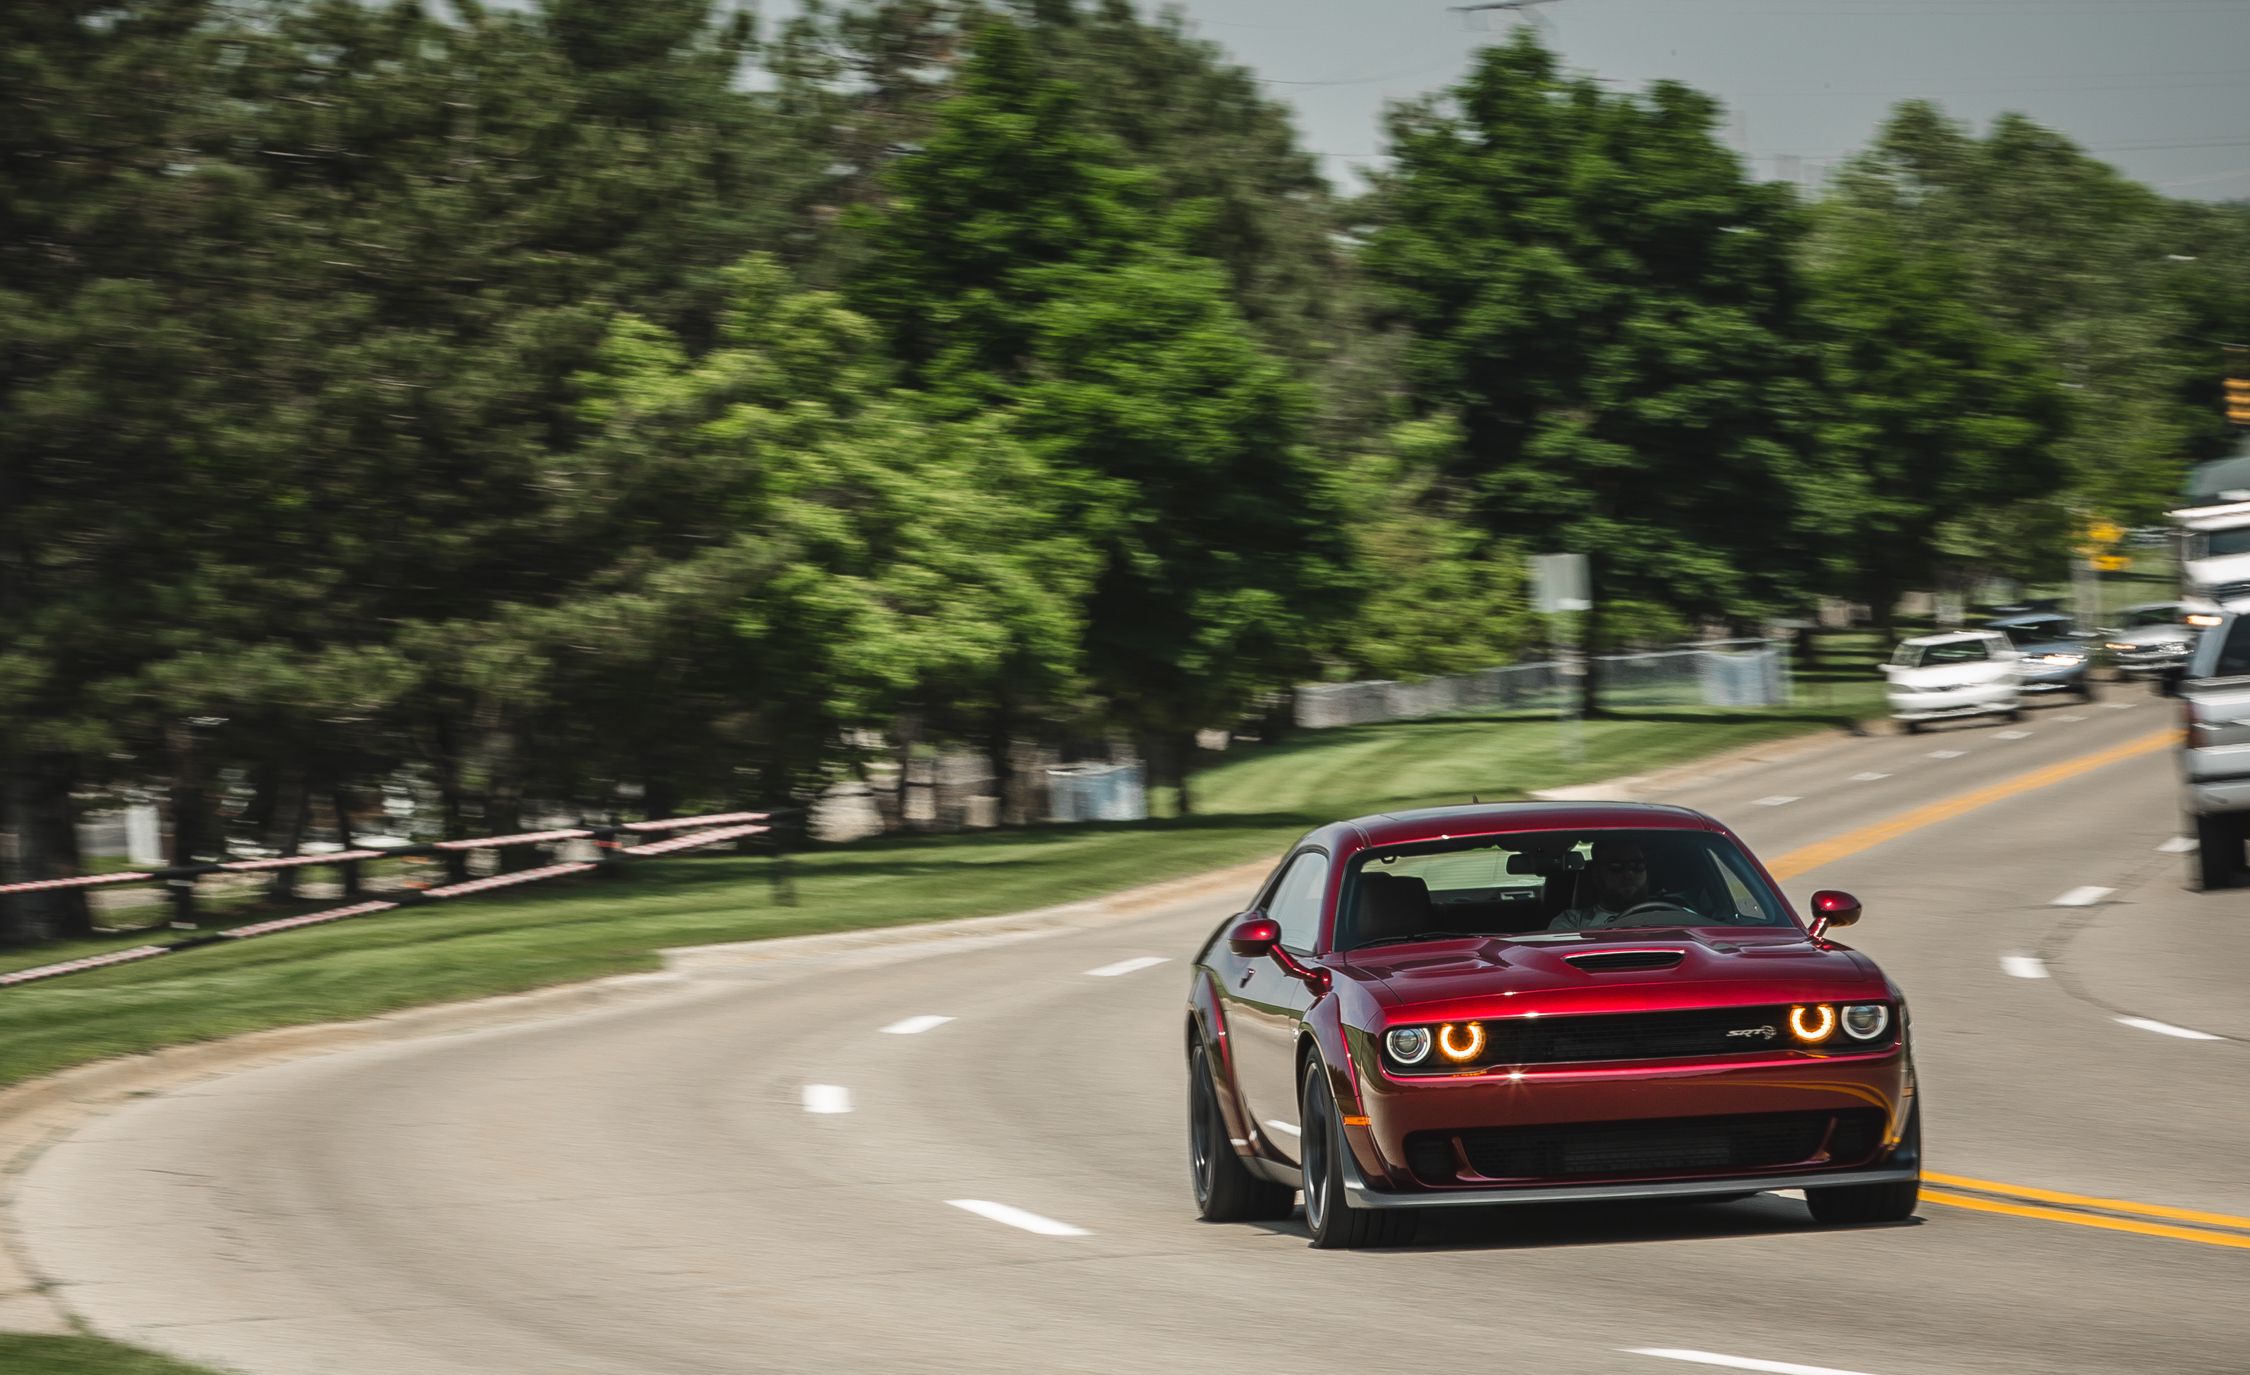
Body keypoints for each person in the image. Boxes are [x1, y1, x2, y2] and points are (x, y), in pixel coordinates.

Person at [1549, 837, 1662, 930]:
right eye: (1616, 867)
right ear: (1596, 874)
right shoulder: (1573, 922)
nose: (1629, 874)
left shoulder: (1672, 913)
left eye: (1637, 865)